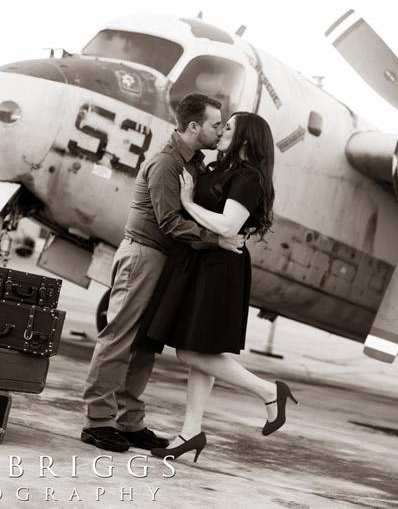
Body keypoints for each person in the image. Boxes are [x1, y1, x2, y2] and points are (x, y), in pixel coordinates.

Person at [80, 93, 245, 453]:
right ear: (193, 126)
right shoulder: (168, 163)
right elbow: (170, 222)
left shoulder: (194, 164)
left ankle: (127, 421)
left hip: (165, 261)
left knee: (144, 344)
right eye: (216, 125)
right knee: (119, 337)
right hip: (144, 255)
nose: (220, 131)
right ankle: (98, 421)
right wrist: (217, 239)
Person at [134, 111, 297, 463]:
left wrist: (190, 203)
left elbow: (228, 225)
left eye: (229, 128)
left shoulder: (249, 177)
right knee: (202, 353)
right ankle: (190, 433)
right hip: (202, 263)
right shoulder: (220, 169)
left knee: (191, 351)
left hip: (220, 266)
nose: (222, 132)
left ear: (246, 138)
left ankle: (269, 392)